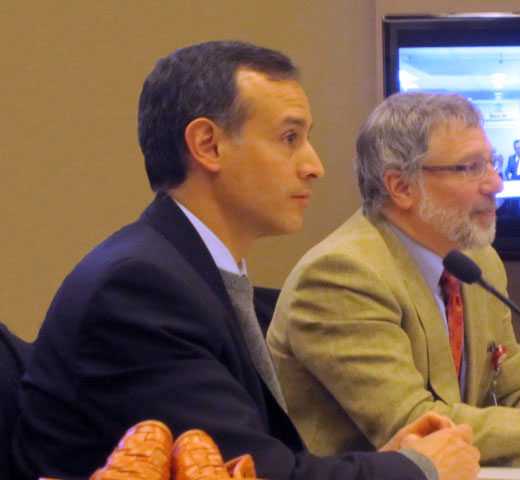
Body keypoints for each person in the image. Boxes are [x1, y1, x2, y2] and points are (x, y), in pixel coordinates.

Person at [12, 42, 481, 480]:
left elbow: (260, 455)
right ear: (208, 145)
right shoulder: (138, 290)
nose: (314, 166)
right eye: (289, 137)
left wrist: (390, 459)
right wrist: (416, 469)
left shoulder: (187, 271)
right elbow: (257, 472)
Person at [268, 92, 520, 466]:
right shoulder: (341, 274)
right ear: (401, 187)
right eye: (471, 167)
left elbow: (516, 392)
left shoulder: (477, 261)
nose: (496, 184)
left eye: (492, 163)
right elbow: (415, 425)